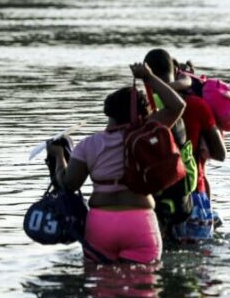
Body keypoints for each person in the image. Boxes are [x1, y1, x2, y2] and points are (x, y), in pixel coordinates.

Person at [47, 62, 185, 264]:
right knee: (143, 290)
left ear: (109, 113)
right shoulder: (147, 134)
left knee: (103, 289)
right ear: (142, 113)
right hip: (139, 222)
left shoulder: (89, 145)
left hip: (101, 225)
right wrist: (148, 76)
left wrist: (59, 156)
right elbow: (178, 106)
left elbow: (67, 184)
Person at [143, 49, 226, 240]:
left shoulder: (146, 107)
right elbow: (221, 154)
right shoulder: (198, 105)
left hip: (158, 201)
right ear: (175, 71)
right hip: (194, 194)